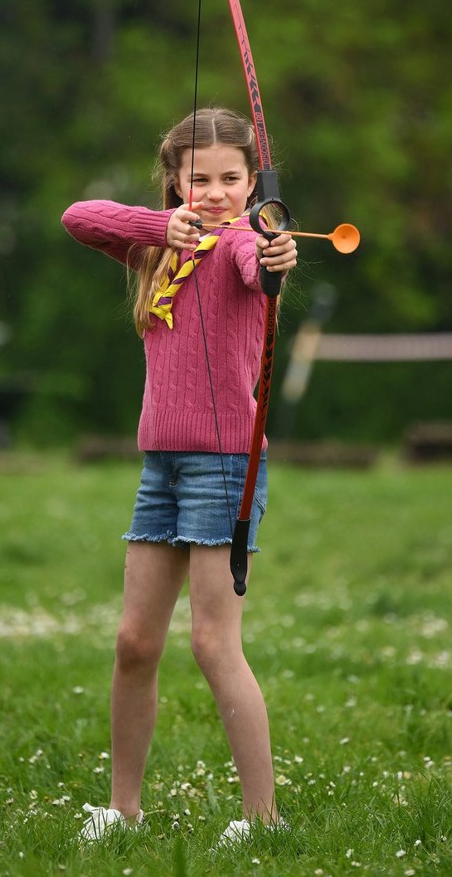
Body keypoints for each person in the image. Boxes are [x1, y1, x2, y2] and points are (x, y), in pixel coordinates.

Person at [61, 107, 297, 846]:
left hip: (224, 468)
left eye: (232, 178)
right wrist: (161, 225)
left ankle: (263, 820)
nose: (217, 192)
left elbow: (258, 264)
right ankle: (122, 811)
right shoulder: (161, 247)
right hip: (160, 469)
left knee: (212, 644)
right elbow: (78, 218)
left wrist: (274, 250)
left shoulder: (242, 243)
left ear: (254, 182)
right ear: (175, 181)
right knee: (134, 641)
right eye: (200, 179)